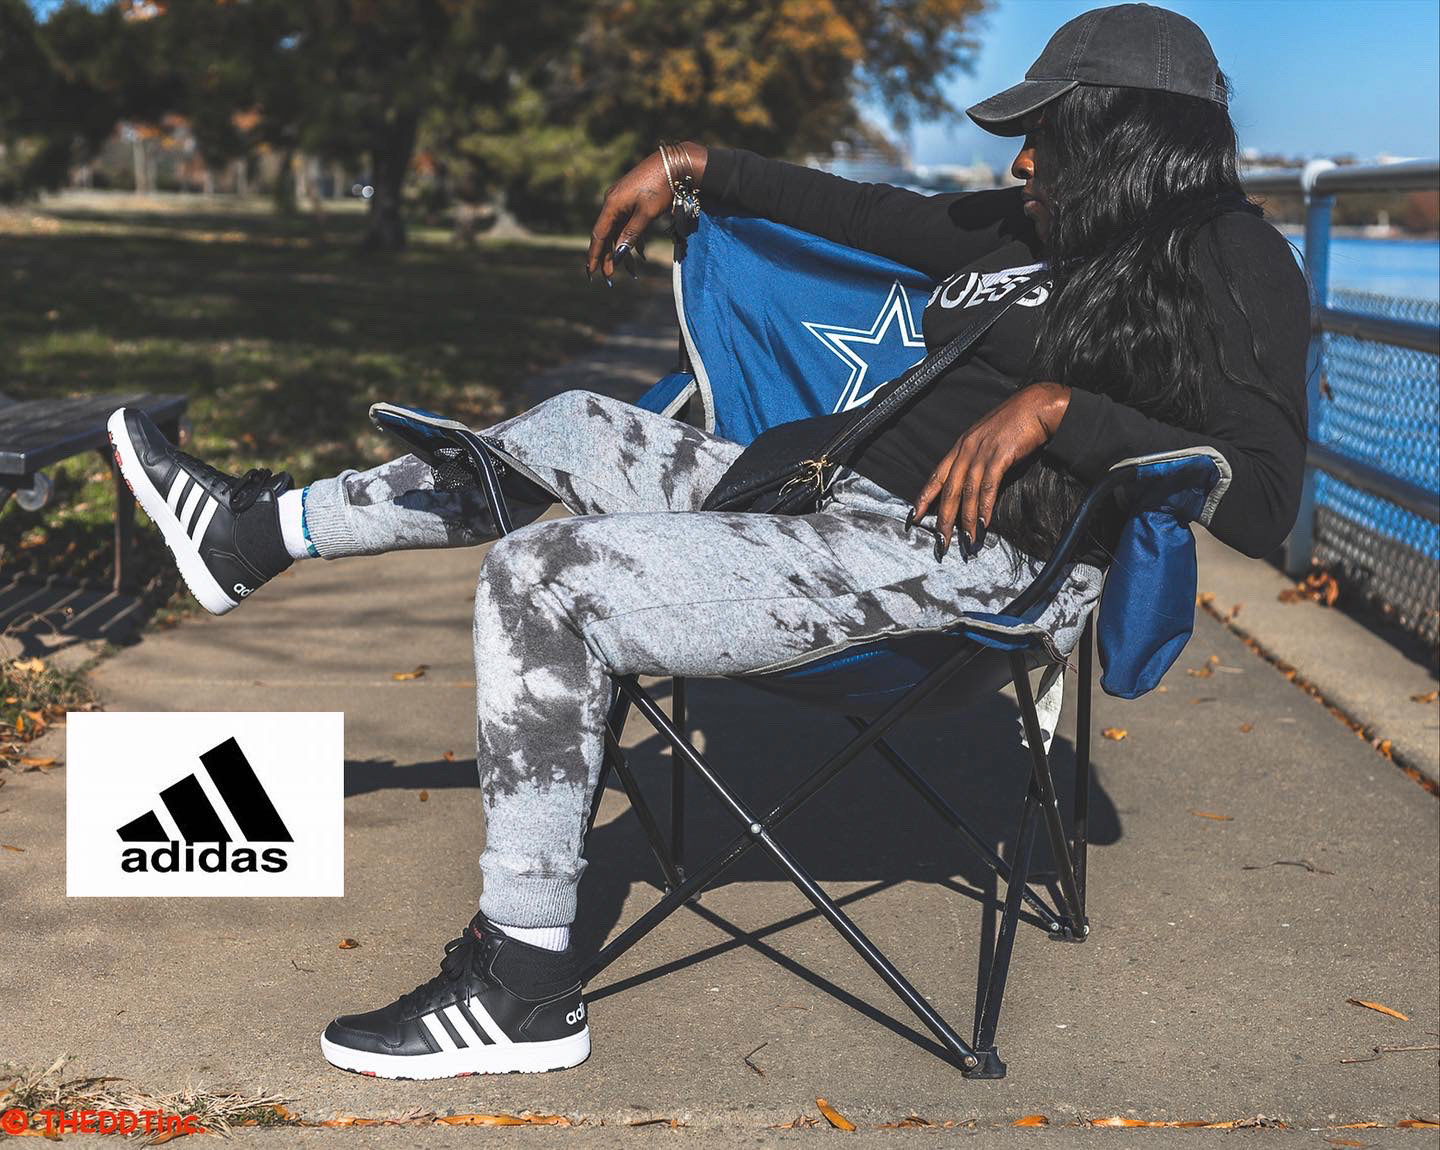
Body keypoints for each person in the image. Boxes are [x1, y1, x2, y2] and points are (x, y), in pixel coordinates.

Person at [106, 3, 1308, 1080]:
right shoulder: (1026, 229)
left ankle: (522, 984)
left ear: (1125, 135)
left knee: (544, 578)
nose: (1022, 158)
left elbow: (1263, 496)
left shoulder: (1233, 262)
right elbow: (861, 210)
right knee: (568, 426)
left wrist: (1060, 412)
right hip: (819, 496)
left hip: (957, 569)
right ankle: (255, 534)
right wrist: (694, 165)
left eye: (1046, 132)